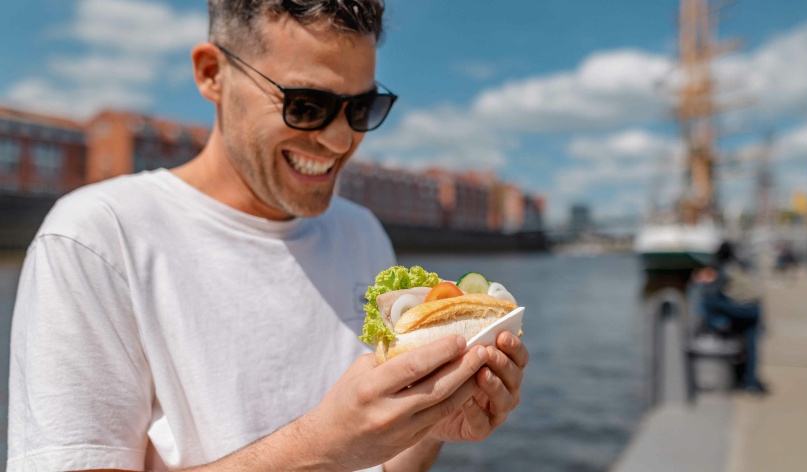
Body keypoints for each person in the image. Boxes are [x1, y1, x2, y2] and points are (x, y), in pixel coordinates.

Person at [6, 2, 529, 471]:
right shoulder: (97, 238)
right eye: (306, 105)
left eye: (362, 109)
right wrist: (325, 447)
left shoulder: (361, 232)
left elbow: (386, 466)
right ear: (212, 74)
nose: (340, 139)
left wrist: (428, 423)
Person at [698, 241, 769, 395]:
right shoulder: (743, 264)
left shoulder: (721, 267)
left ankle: (716, 326)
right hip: (754, 309)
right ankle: (751, 382)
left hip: (739, 309)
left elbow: (711, 291)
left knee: (705, 302)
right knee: (751, 347)